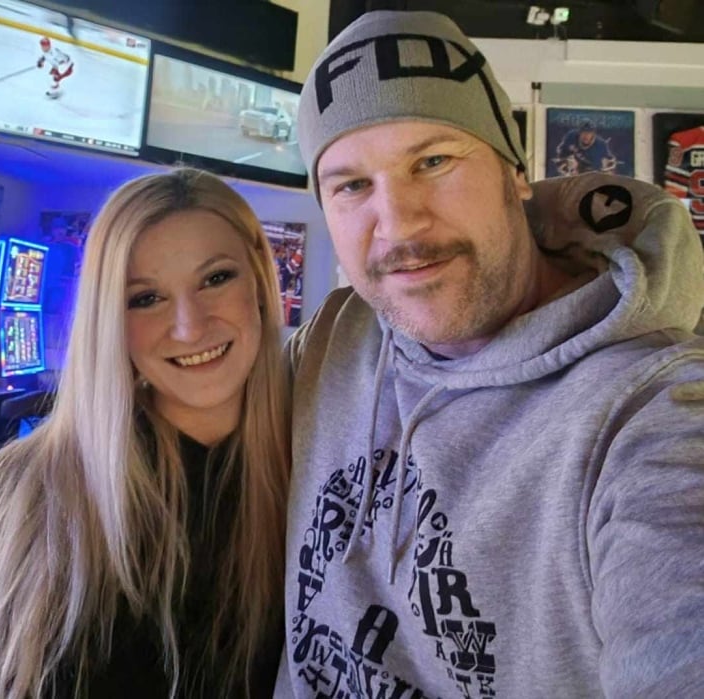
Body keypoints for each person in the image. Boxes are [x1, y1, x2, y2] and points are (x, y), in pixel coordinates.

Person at [275, 10, 704, 697]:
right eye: (352, 184)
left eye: (434, 160)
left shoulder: (651, 411)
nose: (401, 223)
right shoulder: (338, 332)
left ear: (515, 170)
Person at [0, 168, 289, 698]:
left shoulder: (316, 471)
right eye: (146, 298)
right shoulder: (24, 496)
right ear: (109, 319)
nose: (189, 326)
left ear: (258, 280)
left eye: (216, 278)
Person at [37, 36, 74, 100]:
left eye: (44, 46)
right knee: (52, 77)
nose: (43, 48)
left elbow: (66, 58)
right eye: (42, 46)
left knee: (54, 79)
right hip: (58, 67)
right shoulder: (46, 52)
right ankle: (55, 90)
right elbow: (44, 57)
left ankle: (55, 92)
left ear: (49, 45)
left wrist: (62, 63)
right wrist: (41, 61)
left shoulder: (55, 52)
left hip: (66, 68)